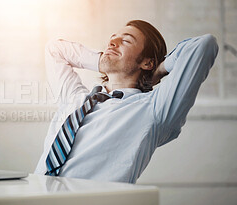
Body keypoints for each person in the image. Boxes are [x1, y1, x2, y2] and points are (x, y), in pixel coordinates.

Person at [34, 20, 219, 183]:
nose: (112, 42)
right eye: (113, 38)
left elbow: (204, 45)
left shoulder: (154, 109)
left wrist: (159, 70)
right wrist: (103, 61)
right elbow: (54, 49)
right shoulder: (75, 98)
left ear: (147, 62)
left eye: (126, 41)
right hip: (36, 194)